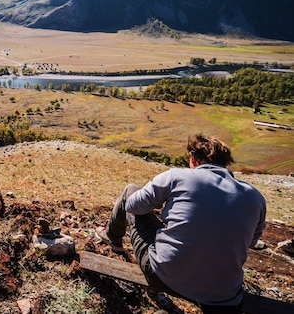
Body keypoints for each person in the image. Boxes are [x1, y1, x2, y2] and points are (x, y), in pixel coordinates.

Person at [96, 134, 266, 313]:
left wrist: (161, 206)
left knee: (130, 191)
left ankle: (112, 238)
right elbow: (251, 243)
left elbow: (132, 205)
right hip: (224, 295)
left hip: (165, 276)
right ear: (224, 162)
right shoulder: (255, 197)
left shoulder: (176, 176)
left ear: (192, 158)